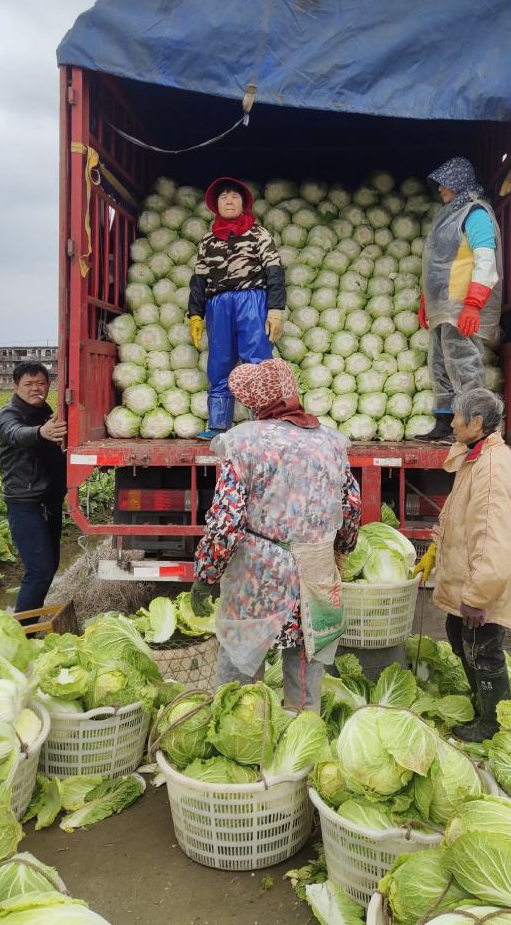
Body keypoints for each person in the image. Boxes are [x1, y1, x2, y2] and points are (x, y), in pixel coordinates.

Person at [189, 358, 362, 712]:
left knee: (241, 665)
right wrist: (341, 551)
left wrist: (206, 576)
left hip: (261, 573)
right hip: (316, 569)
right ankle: (300, 745)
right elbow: (352, 507)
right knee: (306, 660)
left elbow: (226, 521)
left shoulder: (244, 442)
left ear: (256, 401)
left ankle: (239, 738)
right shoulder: (329, 441)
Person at [428, 388, 511, 741]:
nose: (451, 423)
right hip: (469, 578)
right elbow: (458, 513)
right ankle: (482, 702)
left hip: (481, 586)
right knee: (459, 634)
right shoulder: (475, 456)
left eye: (456, 416)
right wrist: (434, 548)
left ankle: (492, 722)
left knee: (483, 648)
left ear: (475, 422)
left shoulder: (490, 469)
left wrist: (477, 596)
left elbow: (492, 540)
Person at [187, 177, 286, 440]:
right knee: (219, 361)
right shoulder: (208, 241)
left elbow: (274, 272)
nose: (229, 201)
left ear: (243, 203)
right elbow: (198, 279)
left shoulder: (258, 234)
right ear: (216, 205)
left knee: (257, 359)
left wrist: (276, 309)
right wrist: (195, 313)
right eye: (223, 197)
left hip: (251, 301)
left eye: (234, 196)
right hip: (217, 305)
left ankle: (265, 423)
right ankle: (218, 424)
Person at [418, 156, 502, 441]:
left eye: (445, 182)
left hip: (462, 305)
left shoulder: (475, 214)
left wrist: (473, 303)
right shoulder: (447, 215)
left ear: (459, 182)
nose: (440, 188)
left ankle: (472, 430)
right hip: (443, 307)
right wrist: (426, 302)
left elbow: (485, 260)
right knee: (440, 365)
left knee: (465, 366)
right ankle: (445, 424)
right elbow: (436, 263)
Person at [0, 362, 67, 618]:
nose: (35, 388)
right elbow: (15, 433)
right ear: (16, 387)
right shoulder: (9, 413)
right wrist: (41, 432)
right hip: (25, 502)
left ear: (49, 385)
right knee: (38, 569)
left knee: (48, 568)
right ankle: (23, 634)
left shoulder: (46, 411)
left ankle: (29, 625)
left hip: (49, 500)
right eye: (28, 384)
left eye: (41, 383)